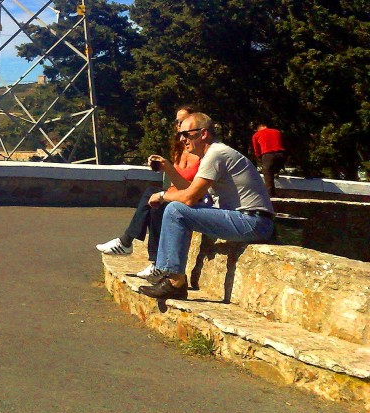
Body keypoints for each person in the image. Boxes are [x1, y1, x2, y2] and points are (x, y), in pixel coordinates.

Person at [138, 112, 275, 300]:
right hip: (248, 219)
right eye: (180, 134)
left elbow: (188, 199)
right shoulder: (212, 155)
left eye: (186, 134)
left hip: (253, 221)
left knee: (175, 210)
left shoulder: (216, 154)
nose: (182, 139)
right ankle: (168, 276)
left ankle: (174, 282)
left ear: (203, 134)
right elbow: (191, 191)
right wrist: (168, 168)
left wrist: (163, 195)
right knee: (176, 208)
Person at [96, 106, 201, 282]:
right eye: (177, 122)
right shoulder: (178, 148)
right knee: (153, 197)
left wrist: (168, 173)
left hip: (193, 199)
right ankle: (142, 253)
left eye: (183, 121)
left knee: (158, 201)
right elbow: (174, 181)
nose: (179, 126)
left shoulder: (200, 152)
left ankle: (130, 245)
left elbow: (193, 189)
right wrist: (161, 166)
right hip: (177, 194)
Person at [251, 123, 287, 197]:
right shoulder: (277, 131)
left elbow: (256, 150)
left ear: (258, 129)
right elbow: (284, 143)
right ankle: (278, 171)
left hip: (268, 155)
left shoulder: (256, 135)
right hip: (281, 154)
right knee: (276, 166)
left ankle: (271, 195)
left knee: (267, 173)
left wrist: (259, 158)